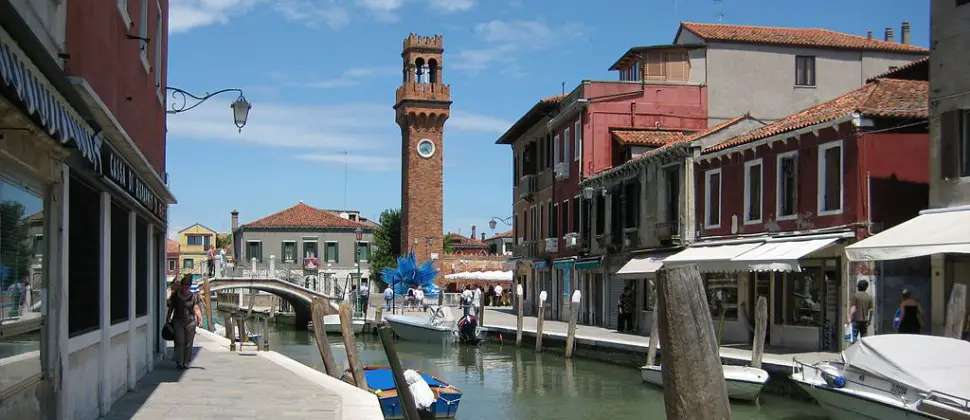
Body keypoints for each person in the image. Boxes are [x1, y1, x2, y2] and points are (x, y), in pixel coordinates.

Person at [166, 274, 203, 369]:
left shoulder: (193, 297)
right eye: (185, 285)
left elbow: (196, 308)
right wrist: (167, 319)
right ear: (182, 285)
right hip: (177, 321)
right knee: (180, 341)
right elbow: (171, 308)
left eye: (188, 285)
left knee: (188, 343)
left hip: (190, 322)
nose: (186, 287)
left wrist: (200, 319)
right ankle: (179, 361)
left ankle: (186, 362)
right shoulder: (176, 296)